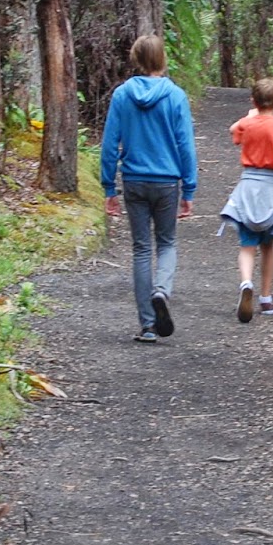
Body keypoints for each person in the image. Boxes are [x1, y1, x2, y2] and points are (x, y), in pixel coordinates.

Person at [100, 34, 197, 343]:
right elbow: (185, 145)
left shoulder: (122, 95)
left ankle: (147, 325)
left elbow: (109, 143)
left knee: (142, 249)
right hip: (167, 182)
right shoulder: (176, 95)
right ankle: (161, 291)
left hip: (134, 181)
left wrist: (108, 187)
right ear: (162, 59)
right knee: (166, 243)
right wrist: (189, 189)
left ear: (136, 59)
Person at [219, 78, 273, 323]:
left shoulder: (248, 124)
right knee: (268, 245)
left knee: (246, 244)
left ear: (253, 101)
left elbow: (233, 130)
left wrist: (249, 115)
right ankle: (266, 297)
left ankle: (245, 283)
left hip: (249, 186)